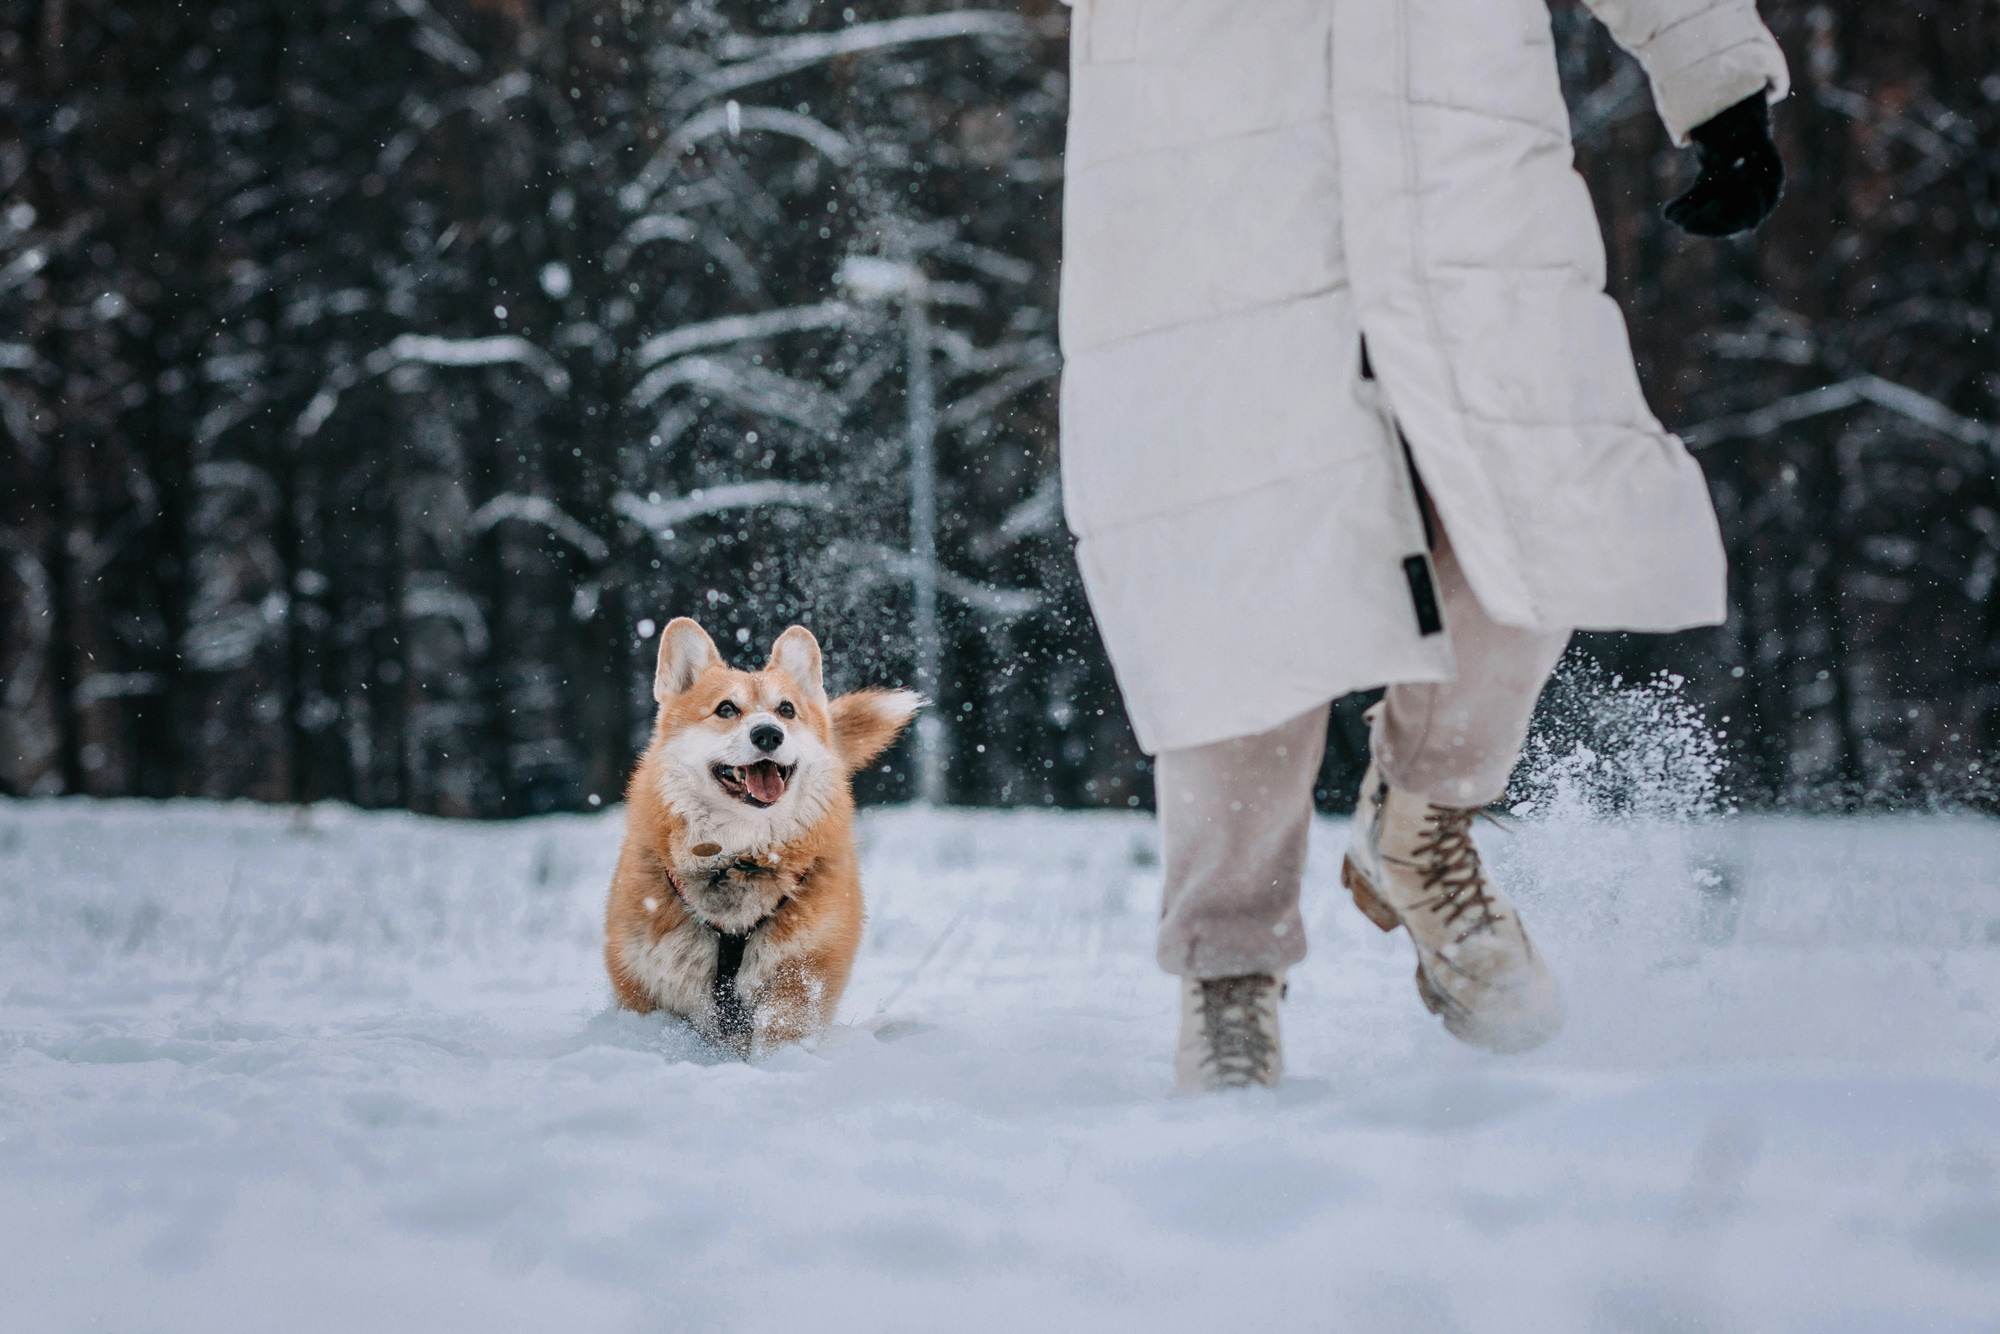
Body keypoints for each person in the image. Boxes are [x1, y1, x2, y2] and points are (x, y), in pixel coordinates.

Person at [1055, 0, 1789, 1090]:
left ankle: (1424, 822)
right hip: (1207, 167)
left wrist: (1713, 78)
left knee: (1534, 503)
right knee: (1234, 566)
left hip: (1464, 158)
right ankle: (1228, 971)